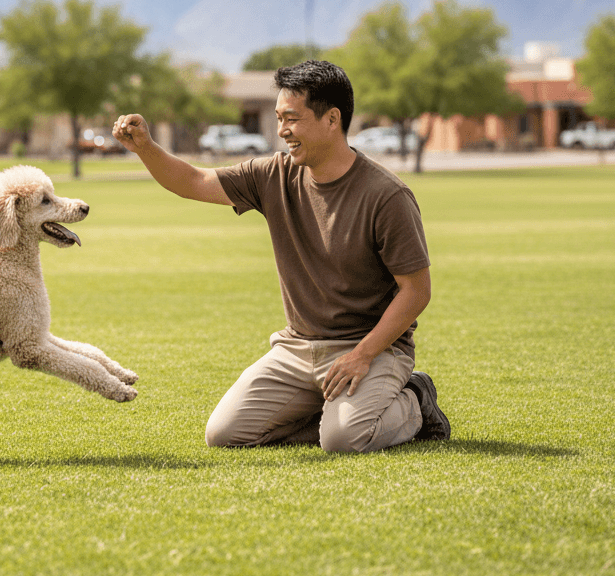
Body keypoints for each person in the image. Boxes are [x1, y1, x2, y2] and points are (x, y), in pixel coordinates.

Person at [112, 59, 450, 453]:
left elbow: (416, 291)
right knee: (224, 434)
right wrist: (146, 148)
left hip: (371, 349)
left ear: (332, 119)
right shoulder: (272, 174)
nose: (281, 131)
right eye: (277, 118)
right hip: (297, 348)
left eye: (292, 118)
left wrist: (363, 354)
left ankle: (415, 401)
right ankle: (334, 414)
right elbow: (193, 181)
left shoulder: (386, 196)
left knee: (344, 440)